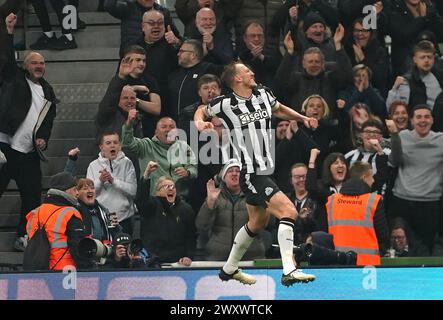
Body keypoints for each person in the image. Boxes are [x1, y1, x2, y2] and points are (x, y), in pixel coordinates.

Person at [194, 61, 318, 286]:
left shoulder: (262, 93)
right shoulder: (226, 103)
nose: (252, 73)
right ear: (237, 79)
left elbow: (278, 108)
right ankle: (289, 268)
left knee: (257, 223)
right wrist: (200, 123)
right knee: (289, 211)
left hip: (265, 171)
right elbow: (202, 109)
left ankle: (230, 268)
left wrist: (302, 118)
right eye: (246, 71)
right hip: (251, 173)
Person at [0, 14, 57, 251]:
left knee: (33, 197)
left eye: (42, 63)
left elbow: (48, 120)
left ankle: (23, 236)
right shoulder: (15, 80)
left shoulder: (48, 91)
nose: (39, 66)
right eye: (34, 63)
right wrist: (9, 32)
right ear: (25, 66)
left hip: (29, 152)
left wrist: (44, 138)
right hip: (5, 147)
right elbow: (4, 60)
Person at [386, 105, 443, 252]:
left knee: (426, 247)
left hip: (430, 203)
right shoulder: (403, 136)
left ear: (432, 120)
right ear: (412, 120)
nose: (423, 120)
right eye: (418, 117)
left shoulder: (441, 140)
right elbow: (394, 161)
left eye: (426, 116)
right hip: (402, 202)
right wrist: (394, 136)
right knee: (401, 247)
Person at [196, 159, 267, 261]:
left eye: (238, 171)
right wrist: (210, 203)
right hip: (219, 257)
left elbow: (267, 223)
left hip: (251, 256)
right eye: (230, 171)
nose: (234, 174)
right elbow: (202, 226)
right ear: (223, 177)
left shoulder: (253, 194)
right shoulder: (215, 196)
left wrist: (261, 201)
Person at [326, 161, 389, 265]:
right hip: (367, 265)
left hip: (338, 261)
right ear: (364, 178)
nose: (373, 180)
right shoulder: (373, 201)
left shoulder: (332, 200)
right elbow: (383, 235)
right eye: (372, 177)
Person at [122, 114, 198, 199]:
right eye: (164, 127)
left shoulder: (183, 147)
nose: (168, 130)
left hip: (178, 198)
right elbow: (127, 143)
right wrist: (128, 125)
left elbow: (193, 168)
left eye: (171, 127)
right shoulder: (146, 145)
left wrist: (187, 173)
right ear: (156, 132)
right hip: (154, 199)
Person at [25, 172, 86, 270]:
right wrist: (90, 267)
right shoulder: (70, 213)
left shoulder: (35, 213)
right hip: (65, 271)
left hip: (37, 271)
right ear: (66, 191)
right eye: (75, 189)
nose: (77, 193)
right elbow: (78, 247)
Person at [137, 171, 196, 266]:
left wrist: (188, 256)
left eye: (173, 186)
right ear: (157, 192)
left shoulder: (185, 209)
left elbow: (191, 236)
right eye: (166, 186)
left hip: (178, 262)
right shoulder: (152, 205)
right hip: (154, 261)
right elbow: (141, 200)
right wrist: (147, 175)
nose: (170, 189)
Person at [86, 132, 137, 235]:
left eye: (115, 142)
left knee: (125, 250)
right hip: (102, 219)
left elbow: (133, 191)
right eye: (108, 143)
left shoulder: (127, 163)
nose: (112, 145)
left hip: (125, 218)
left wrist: (113, 181)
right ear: (101, 147)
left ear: (120, 146)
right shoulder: (93, 165)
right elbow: (88, 194)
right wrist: (100, 181)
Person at [386, 40, 443, 113]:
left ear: (434, 59)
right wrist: (394, 89)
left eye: (429, 57)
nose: (426, 60)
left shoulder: (440, 78)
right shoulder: (405, 82)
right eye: (422, 57)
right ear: (415, 60)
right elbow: (392, 110)